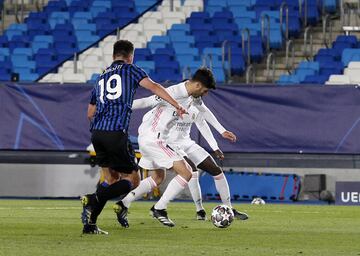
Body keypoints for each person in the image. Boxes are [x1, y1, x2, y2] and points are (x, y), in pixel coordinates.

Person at [113, 70, 248, 228]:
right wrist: (118, 107)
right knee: (187, 172)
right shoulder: (174, 92)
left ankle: (123, 204)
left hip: (152, 138)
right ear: (198, 85)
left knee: (158, 177)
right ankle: (160, 208)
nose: (205, 94)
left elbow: (204, 111)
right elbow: (146, 101)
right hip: (154, 138)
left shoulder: (193, 96)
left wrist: (222, 131)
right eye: (205, 91)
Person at [81, 39, 186, 234]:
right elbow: (154, 87)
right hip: (116, 132)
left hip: (97, 133)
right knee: (134, 179)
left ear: (113, 56)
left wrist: (100, 129)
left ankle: (91, 224)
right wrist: (176, 104)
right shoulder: (131, 70)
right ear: (130, 56)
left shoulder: (101, 77)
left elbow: (89, 113)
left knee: (109, 179)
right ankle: (93, 199)